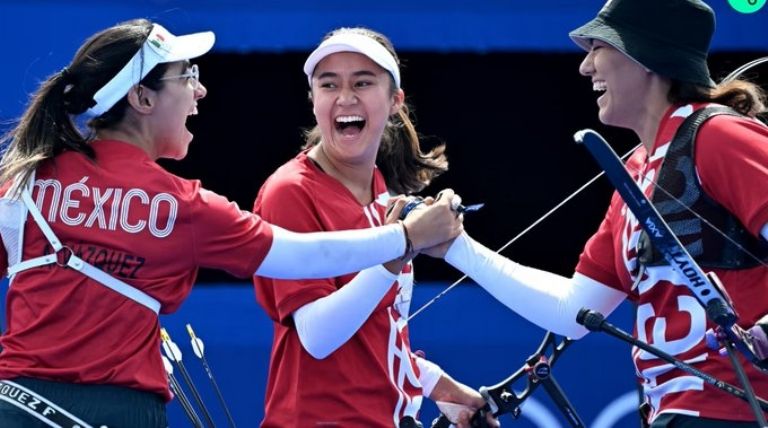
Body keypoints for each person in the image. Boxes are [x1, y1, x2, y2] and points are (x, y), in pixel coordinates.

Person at [0, 19, 464, 427]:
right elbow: (301, 255)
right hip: (118, 412)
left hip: (13, 404)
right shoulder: (184, 206)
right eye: (189, 76)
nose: (200, 90)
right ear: (142, 97)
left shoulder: (23, 182)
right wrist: (404, 239)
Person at [423, 0, 768, 427]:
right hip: (675, 414)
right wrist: (456, 247)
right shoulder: (636, 172)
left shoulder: (719, 135)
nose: (586, 67)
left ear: (645, 56)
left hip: (738, 412)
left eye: (597, 47)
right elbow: (576, 311)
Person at [252, 27, 498, 428]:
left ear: (395, 101)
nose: (345, 98)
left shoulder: (380, 191)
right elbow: (317, 336)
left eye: (363, 83)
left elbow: (373, 336)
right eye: (328, 85)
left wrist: (442, 387)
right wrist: (403, 246)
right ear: (313, 100)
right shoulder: (289, 192)